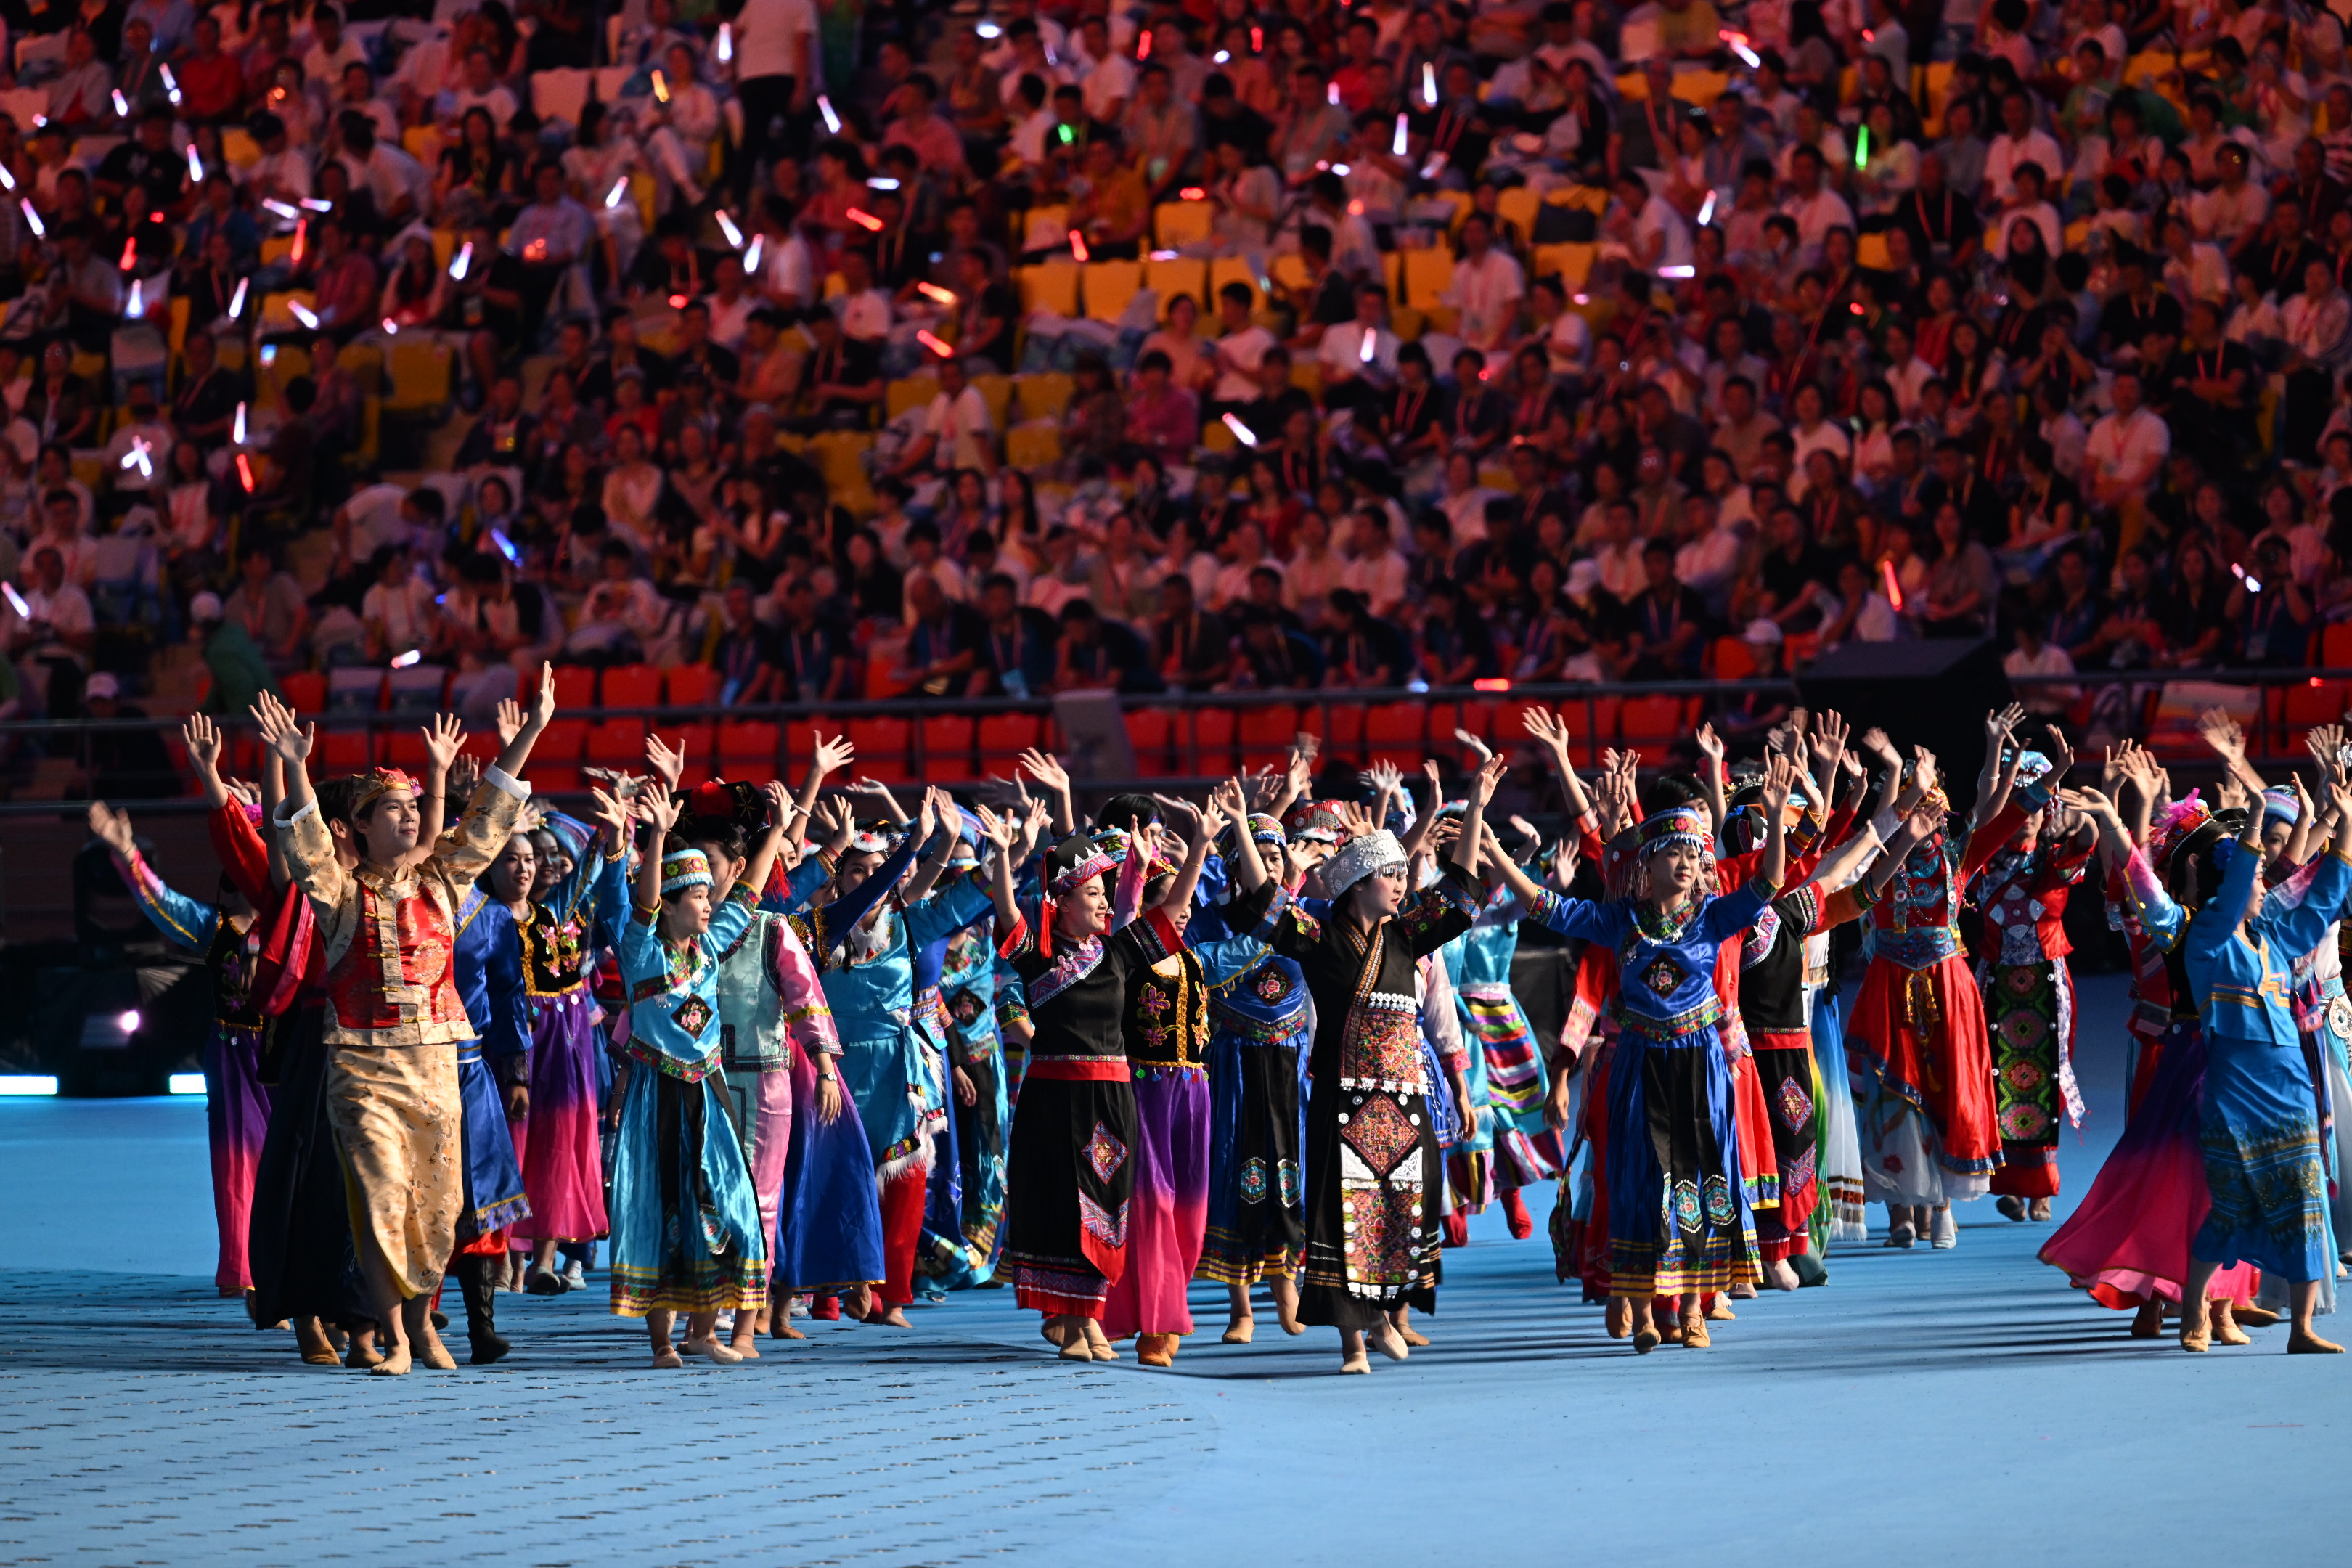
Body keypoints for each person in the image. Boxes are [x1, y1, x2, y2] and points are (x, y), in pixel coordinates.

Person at [254, 666, 558, 1376]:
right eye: (392, 811)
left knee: (436, 1201)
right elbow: (301, 846)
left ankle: (417, 1328)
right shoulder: (337, 892)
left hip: (435, 1061)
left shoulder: (442, 882)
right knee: (380, 1188)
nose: (410, 818)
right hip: (360, 1064)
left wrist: (535, 729)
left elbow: (487, 817)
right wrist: (294, 769)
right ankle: (387, 1334)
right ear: (359, 827)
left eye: (414, 808)